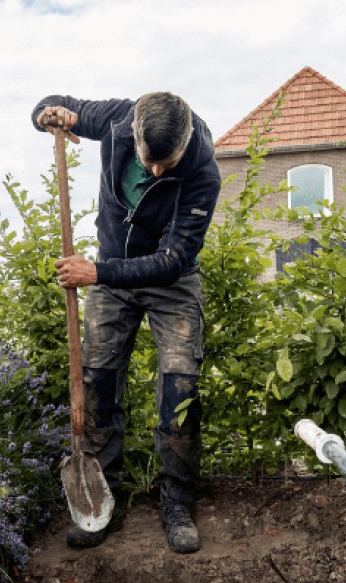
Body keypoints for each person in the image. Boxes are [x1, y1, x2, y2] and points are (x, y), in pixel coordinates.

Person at [32, 92, 220, 554]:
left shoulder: (202, 172)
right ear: (133, 132)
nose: (155, 171)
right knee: (98, 381)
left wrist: (97, 273)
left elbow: (173, 261)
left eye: (166, 164)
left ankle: (177, 503)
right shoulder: (118, 119)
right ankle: (103, 502)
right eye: (148, 160)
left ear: (185, 142)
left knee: (181, 388)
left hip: (170, 281)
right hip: (111, 275)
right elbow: (54, 102)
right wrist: (47, 115)